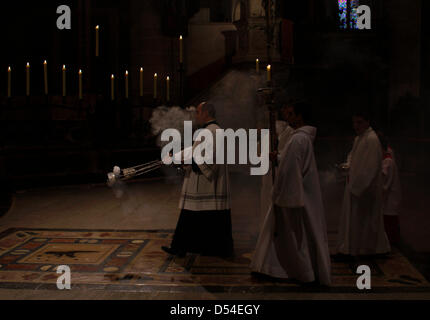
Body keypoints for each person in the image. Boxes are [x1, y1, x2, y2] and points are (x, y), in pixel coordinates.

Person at [250, 102, 332, 286]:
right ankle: (273, 267)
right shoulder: (301, 138)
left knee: (293, 238)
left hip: (291, 196)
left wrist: (280, 195)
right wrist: (278, 158)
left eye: (292, 114)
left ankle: (290, 270)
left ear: (300, 116)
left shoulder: (297, 139)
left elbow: (291, 171)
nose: (288, 117)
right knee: (289, 236)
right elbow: (290, 162)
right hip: (296, 194)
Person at [162, 102, 234, 257]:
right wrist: (176, 157)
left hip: (206, 183)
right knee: (199, 216)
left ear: (206, 112)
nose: (196, 116)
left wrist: (178, 159)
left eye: (198, 112)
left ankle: (180, 248)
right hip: (203, 182)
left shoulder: (213, 132)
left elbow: (208, 158)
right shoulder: (209, 131)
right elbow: (194, 151)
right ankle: (193, 247)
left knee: (192, 215)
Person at [336, 111, 391, 256]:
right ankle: (352, 248)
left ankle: (365, 250)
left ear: (367, 122)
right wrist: (347, 166)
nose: (356, 126)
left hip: (365, 190)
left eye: (359, 122)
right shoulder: (359, 138)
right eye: (354, 122)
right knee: (355, 222)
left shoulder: (371, 139)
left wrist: (358, 186)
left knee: (365, 223)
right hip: (355, 185)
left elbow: (371, 168)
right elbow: (353, 158)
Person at [260, 104, 295, 222]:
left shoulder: (291, 131)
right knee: (268, 201)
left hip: (280, 169)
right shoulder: (275, 128)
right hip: (271, 169)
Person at [378, 132, 402, 245]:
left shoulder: (387, 161)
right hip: (388, 197)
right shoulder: (386, 159)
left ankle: (393, 244)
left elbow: (385, 185)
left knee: (390, 222)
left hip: (390, 198)